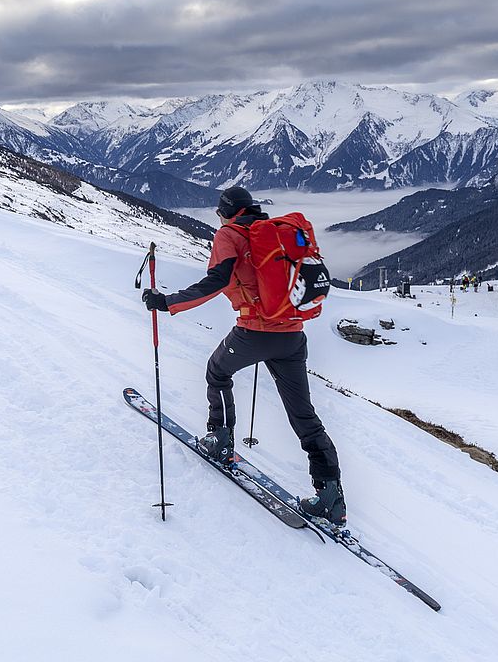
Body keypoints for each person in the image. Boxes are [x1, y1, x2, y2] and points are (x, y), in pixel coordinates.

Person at [140, 185, 346, 526]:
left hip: (254, 332)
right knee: (304, 417)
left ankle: (220, 438)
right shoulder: (273, 234)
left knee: (217, 372)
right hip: (293, 335)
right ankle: (331, 496)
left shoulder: (229, 235)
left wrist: (167, 302)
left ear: (225, 212)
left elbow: (216, 281)